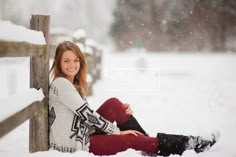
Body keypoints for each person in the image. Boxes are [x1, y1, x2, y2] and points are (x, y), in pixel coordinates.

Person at [49, 41, 220, 156]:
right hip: (76, 146)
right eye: (66, 61)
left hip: (82, 134)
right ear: (58, 63)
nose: (72, 65)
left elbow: (83, 117)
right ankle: (191, 143)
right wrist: (117, 131)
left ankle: (147, 145)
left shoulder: (69, 84)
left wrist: (120, 116)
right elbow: (87, 115)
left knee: (115, 104)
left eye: (75, 60)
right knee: (130, 138)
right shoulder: (62, 85)